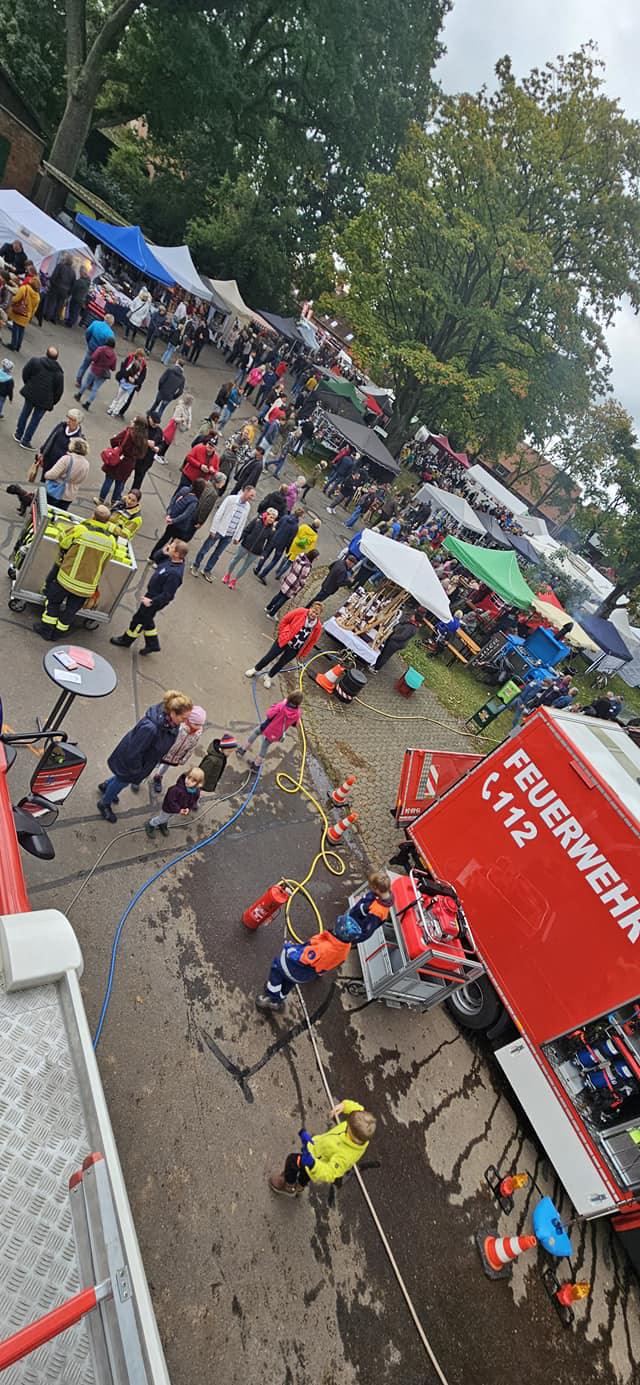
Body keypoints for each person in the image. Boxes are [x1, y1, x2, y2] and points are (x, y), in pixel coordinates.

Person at [97, 691, 193, 823]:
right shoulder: (151, 728)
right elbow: (134, 752)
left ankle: (107, 785)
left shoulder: (170, 722)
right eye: (183, 718)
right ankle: (104, 802)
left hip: (140, 760)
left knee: (120, 779)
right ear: (173, 713)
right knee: (122, 781)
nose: (185, 721)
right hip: (132, 763)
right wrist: (136, 771)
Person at [33, 504, 117, 640]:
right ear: (107, 522)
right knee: (71, 610)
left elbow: (63, 541)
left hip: (66, 579)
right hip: (87, 586)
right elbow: (108, 560)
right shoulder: (112, 541)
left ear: (93, 516)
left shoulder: (80, 530)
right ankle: (58, 634)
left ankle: (46, 629)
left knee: (53, 602)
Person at [269, 1099, 376, 1197]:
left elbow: (331, 1173)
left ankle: (288, 1185)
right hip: (317, 1149)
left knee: (292, 1160)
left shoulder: (345, 1156)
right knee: (305, 1176)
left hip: (316, 1162)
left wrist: (313, 1164)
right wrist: (344, 1105)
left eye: (348, 1130)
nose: (346, 1127)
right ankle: (299, 1186)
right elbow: (357, 1108)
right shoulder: (359, 1123)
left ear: (355, 1138)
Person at [255, 914, 360, 1013]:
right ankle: (279, 998)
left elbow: (302, 958)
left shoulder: (324, 948)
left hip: (296, 968)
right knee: (289, 983)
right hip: (306, 975)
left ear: (339, 932)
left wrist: (289, 948)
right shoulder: (345, 948)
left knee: (277, 971)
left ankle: (271, 997)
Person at [110, 539, 187, 655]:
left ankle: (127, 640)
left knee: (139, 620)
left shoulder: (175, 574)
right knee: (147, 619)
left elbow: (168, 595)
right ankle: (153, 644)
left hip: (154, 600)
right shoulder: (170, 560)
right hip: (151, 595)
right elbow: (155, 558)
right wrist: (163, 552)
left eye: (171, 547)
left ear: (176, 554)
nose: (168, 546)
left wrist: (151, 602)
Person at [245, 601, 323, 688]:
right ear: (310, 608)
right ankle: (255, 669)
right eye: (313, 611)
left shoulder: (318, 627)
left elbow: (312, 642)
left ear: (319, 615)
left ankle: (269, 676)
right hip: (284, 640)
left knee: (281, 664)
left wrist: (303, 654)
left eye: (316, 613)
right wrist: (282, 633)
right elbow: (285, 619)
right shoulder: (300, 611)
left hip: (295, 648)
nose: (313, 614)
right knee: (269, 656)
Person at [191, 485, 255, 580]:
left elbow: (242, 522)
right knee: (205, 549)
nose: (252, 498)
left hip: (229, 535)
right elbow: (219, 513)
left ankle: (207, 570)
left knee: (217, 554)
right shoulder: (231, 499)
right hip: (218, 531)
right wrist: (213, 529)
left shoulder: (247, 507)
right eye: (251, 495)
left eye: (253, 496)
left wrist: (237, 537)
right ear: (245, 491)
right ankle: (195, 565)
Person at [238, 690, 303, 770]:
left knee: (255, 732)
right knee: (265, 746)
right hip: (277, 733)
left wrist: (277, 705)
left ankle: (242, 749)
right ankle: (256, 765)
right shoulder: (297, 713)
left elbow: (269, 714)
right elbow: (295, 724)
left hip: (267, 726)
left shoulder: (282, 706)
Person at [14, 346, 64, 449]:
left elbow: (25, 373)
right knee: (35, 420)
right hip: (45, 400)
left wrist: (28, 384)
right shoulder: (58, 373)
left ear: (46, 354)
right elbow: (58, 391)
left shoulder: (35, 361)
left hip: (31, 393)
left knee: (25, 413)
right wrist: (53, 401)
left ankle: (18, 434)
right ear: (56, 358)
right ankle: (26, 440)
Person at [150, 704, 206, 793]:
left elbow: (192, 747)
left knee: (165, 766)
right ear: (188, 720)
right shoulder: (179, 727)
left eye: (200, 725)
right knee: (152, 763)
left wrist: (184, 758)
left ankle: (158, 776)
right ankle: (141, 776)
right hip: (164, 750)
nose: (199, 727)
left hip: (175, 756)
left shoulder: (197, 733)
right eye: (196, 724)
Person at [221, 507, 279, 589]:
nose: (272, 520)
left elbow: (269, 544)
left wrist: (264, 554)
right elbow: (246, 530)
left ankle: (234, 580)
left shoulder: (272, 530)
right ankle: (228, 575)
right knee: (235, 560)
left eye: (274, 518)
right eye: (271, 517)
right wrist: (239, 539)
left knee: (245, 567)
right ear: (266, 515)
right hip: (245, 545)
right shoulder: (257, 521)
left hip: (256, 551)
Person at [148, 479, 205, 559]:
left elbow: (174, 500)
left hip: (172, 520)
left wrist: (169, 514)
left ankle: (152, 556)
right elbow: (186, 515)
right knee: (173, 545)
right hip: (181, 526)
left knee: (164, 539)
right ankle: (161, 560)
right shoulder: (194, 501)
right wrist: (173, 520)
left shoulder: (184, 490)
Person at [145, 764, 204, 839]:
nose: (188, 781)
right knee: (162, 817)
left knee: (168, 817)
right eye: (188, 777)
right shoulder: (176, 789)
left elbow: (193, 801)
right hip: (168, 808)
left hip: (178, 809)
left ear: (198, 784)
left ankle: (163, 824)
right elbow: (171, 801)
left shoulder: (196, 792)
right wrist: (179, 810)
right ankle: (151, 824)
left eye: (193, 781)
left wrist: (188, 808)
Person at [98, 416, 148, 504]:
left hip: (119, 459)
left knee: (109, 479)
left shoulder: (128, 432)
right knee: (120, 482)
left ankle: (101, 499)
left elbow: (114, 441)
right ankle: (115, 501)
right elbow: (141, 455)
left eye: (133, 420)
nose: (131, 421)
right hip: (129, 463)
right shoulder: (143, 439)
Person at [265, 548, 318, 618]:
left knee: (279, 594)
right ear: (313, 557)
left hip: (289, 577)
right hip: (294, 584)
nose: (317, 559)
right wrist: (303, 584)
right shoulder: (307, 566)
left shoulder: (300, 556)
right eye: (316, 557)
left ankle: (268, 607)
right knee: (283, 599)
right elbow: (302, 578)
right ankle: (272, 613)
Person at [254, 506, 301, 582]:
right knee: (274, 561)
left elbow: (277, 526)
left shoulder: (285, 517)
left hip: (274, 538)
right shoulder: (295, 527)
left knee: (266, 553)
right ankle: (263, 574)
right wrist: (288, 549)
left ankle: (258, 568)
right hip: (282, 545)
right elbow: (290, 540)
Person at [44, 436, 90, 510]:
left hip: (56, 491)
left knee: (45, 511)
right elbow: (82, 479)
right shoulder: (86, 464)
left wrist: (46, 475)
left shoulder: (66, 459)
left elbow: (52, 475)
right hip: (70, 495)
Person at [74, 336, 117, 410]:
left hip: (94, 369)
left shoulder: (101, 349)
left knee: (86, 383)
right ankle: (87, 403)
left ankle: (79, 395)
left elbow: (93, 357)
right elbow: (113, 368)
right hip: (103, 373)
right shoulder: (114, 355)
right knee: (95, 388)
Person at [107, 349, 147, 417]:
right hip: (125, 381)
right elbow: (123, 368)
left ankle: (116, 411)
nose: (142, 358)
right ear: (138, 355)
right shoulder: (130, 359)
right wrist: (128, 377)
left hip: (132, 385)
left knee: (124, 400)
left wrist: (135, 381)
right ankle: (112, 408)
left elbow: (142, 377)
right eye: (141, 356)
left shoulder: (144, 365)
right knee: (118, 396)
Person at [8, 274, 41, 351]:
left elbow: (16, 299)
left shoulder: (24, 288)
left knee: (15, 328)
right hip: (27, 315)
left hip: (19, 312)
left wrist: (12, 299)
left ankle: (13, 345)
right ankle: (18, 346)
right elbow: (35, 309)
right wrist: (30, 315)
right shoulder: (38, 296)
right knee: (21, 330)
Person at [133, 411, 163, 490]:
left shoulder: (159, 431)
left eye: (157, 424)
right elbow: (134, 437)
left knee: (138, 480)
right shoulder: (142, 426)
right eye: (154, 422)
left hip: (146, 460)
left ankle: (133, 495)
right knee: (124, 476)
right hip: (136, 456)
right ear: (149, 418)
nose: (155, 425)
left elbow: (161, 443)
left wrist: (158, 448)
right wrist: (146, 442)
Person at [44, 255, 76, 323]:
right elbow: (73, 284)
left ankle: (47, 316)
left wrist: (52, 284)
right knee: (60, 305)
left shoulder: (60, 266)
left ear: (65, 260)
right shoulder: (73, 272)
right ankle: (55, 319)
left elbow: (54, 276)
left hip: (56, 287)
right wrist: (69, 293)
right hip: (65, 291)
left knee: (52, 302)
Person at [160, 392, 193, 458]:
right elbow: (175, 418)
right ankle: (159, 454)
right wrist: (183, 419)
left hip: (178, 427)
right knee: (167, 440)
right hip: (174, 426)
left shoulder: (188, 408)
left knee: (169, 442)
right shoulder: (180, 407)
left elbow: (189, 416)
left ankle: (162, 455)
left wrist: (188, 423)